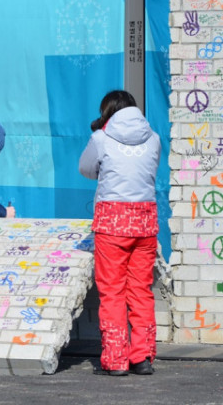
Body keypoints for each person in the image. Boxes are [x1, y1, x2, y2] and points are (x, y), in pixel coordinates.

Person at [78, 90, 161, 377]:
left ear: (108, 111)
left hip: (113, 223)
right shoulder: (154, 138)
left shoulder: (101, 138)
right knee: (141, 291)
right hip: (145, 221)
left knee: (112, 292)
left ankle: (115, 361)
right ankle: (143, 358)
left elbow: (86, 169)